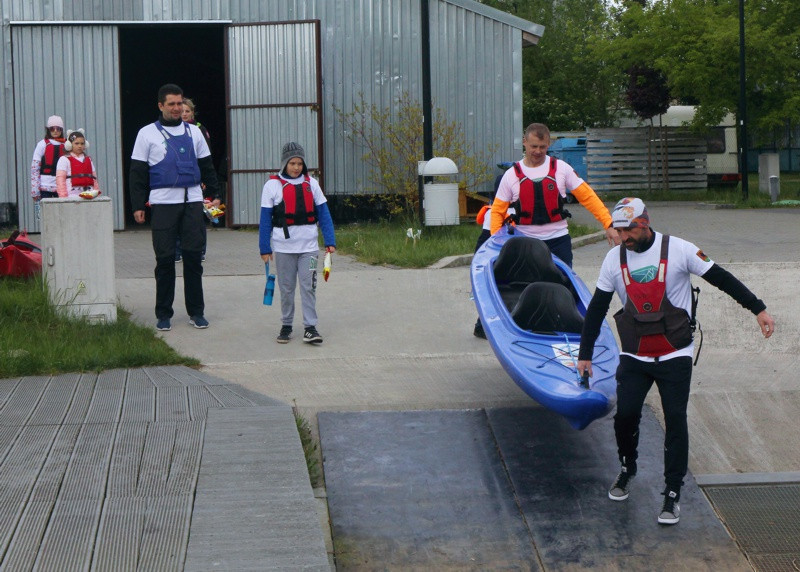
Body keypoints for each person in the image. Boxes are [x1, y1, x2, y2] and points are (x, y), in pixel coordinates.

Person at [577, 198, 775, 525]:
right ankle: (628, 466)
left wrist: (758, 308)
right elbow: (597, 308)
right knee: (625, 416)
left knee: (675, 419)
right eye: (618, 231)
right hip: (635, 355)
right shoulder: (613, 260)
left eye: (627, 230)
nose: (622, 237)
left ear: (644, 223)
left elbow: (722, 278)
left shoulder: (681, 250)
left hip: (674, 354)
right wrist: (585, 354)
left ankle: (671, 493)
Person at [129, 83, 221, 332]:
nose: (177, 108)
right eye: (171, 104)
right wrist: (138, 205)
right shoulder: (146, 134)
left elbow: (207, 165)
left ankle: (197, 312)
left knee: (193, 258)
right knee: (166, 259)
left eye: (180, 103)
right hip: (162, 203)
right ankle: (163, 314)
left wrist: (214, 194)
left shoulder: (195, 133)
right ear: (161, 106)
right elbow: (137, 173)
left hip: (192, 201)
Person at [489, 123, 620, 267]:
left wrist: (608, 224)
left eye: (543, 147)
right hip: (526, 243)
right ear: (524, 142)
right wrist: (496, 242)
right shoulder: (510, 175)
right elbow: (497, 211)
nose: (538, 151)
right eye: (534, 146)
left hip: (558, 241)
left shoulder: (562, 168)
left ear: (548, 144)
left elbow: (588, 197)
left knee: (563, 286)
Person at [259, 142, 336, 344]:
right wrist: (264, 248)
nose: (296, 167)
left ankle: (310, 327)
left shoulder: (313, 184)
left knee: (309, 286)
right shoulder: (272, 186)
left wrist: (330, 241)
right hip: (283, 249)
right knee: (286, 288)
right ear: (285, 163)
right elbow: (265, 219)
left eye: (299, 163)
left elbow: (324, 214)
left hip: (309, 249)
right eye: (292, 163)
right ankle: (286, 325)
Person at [175, 98, 221, 262]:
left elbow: (205, 159)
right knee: (177, 216)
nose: (185, 114)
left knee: (198, 217)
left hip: (197, 180)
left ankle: (199, 250)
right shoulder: (173, 130)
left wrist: (204, 180)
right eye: (182, 111)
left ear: (193, 113)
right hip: (179, 180)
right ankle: (177, 251)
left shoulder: (200, 130)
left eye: (188, 111)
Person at [31, 115, 66, 204]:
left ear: (61, 130)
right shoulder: (42, 144)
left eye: (58, 129)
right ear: (48, 129)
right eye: (52, 129)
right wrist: (35, 191)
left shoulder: (67, 145)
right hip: (45, 187)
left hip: (61, 186)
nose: (55, 131)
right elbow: (35, 168)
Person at [56, 129, 100, 197]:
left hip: (89, 196)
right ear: (70, 144)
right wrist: (63, 197)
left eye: (82, 143)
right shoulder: (64, 160)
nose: (80, 146)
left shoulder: (88, 160)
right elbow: (60, 180)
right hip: (72, 197)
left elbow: (94, 179)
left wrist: (96, 194)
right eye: (76, 143)